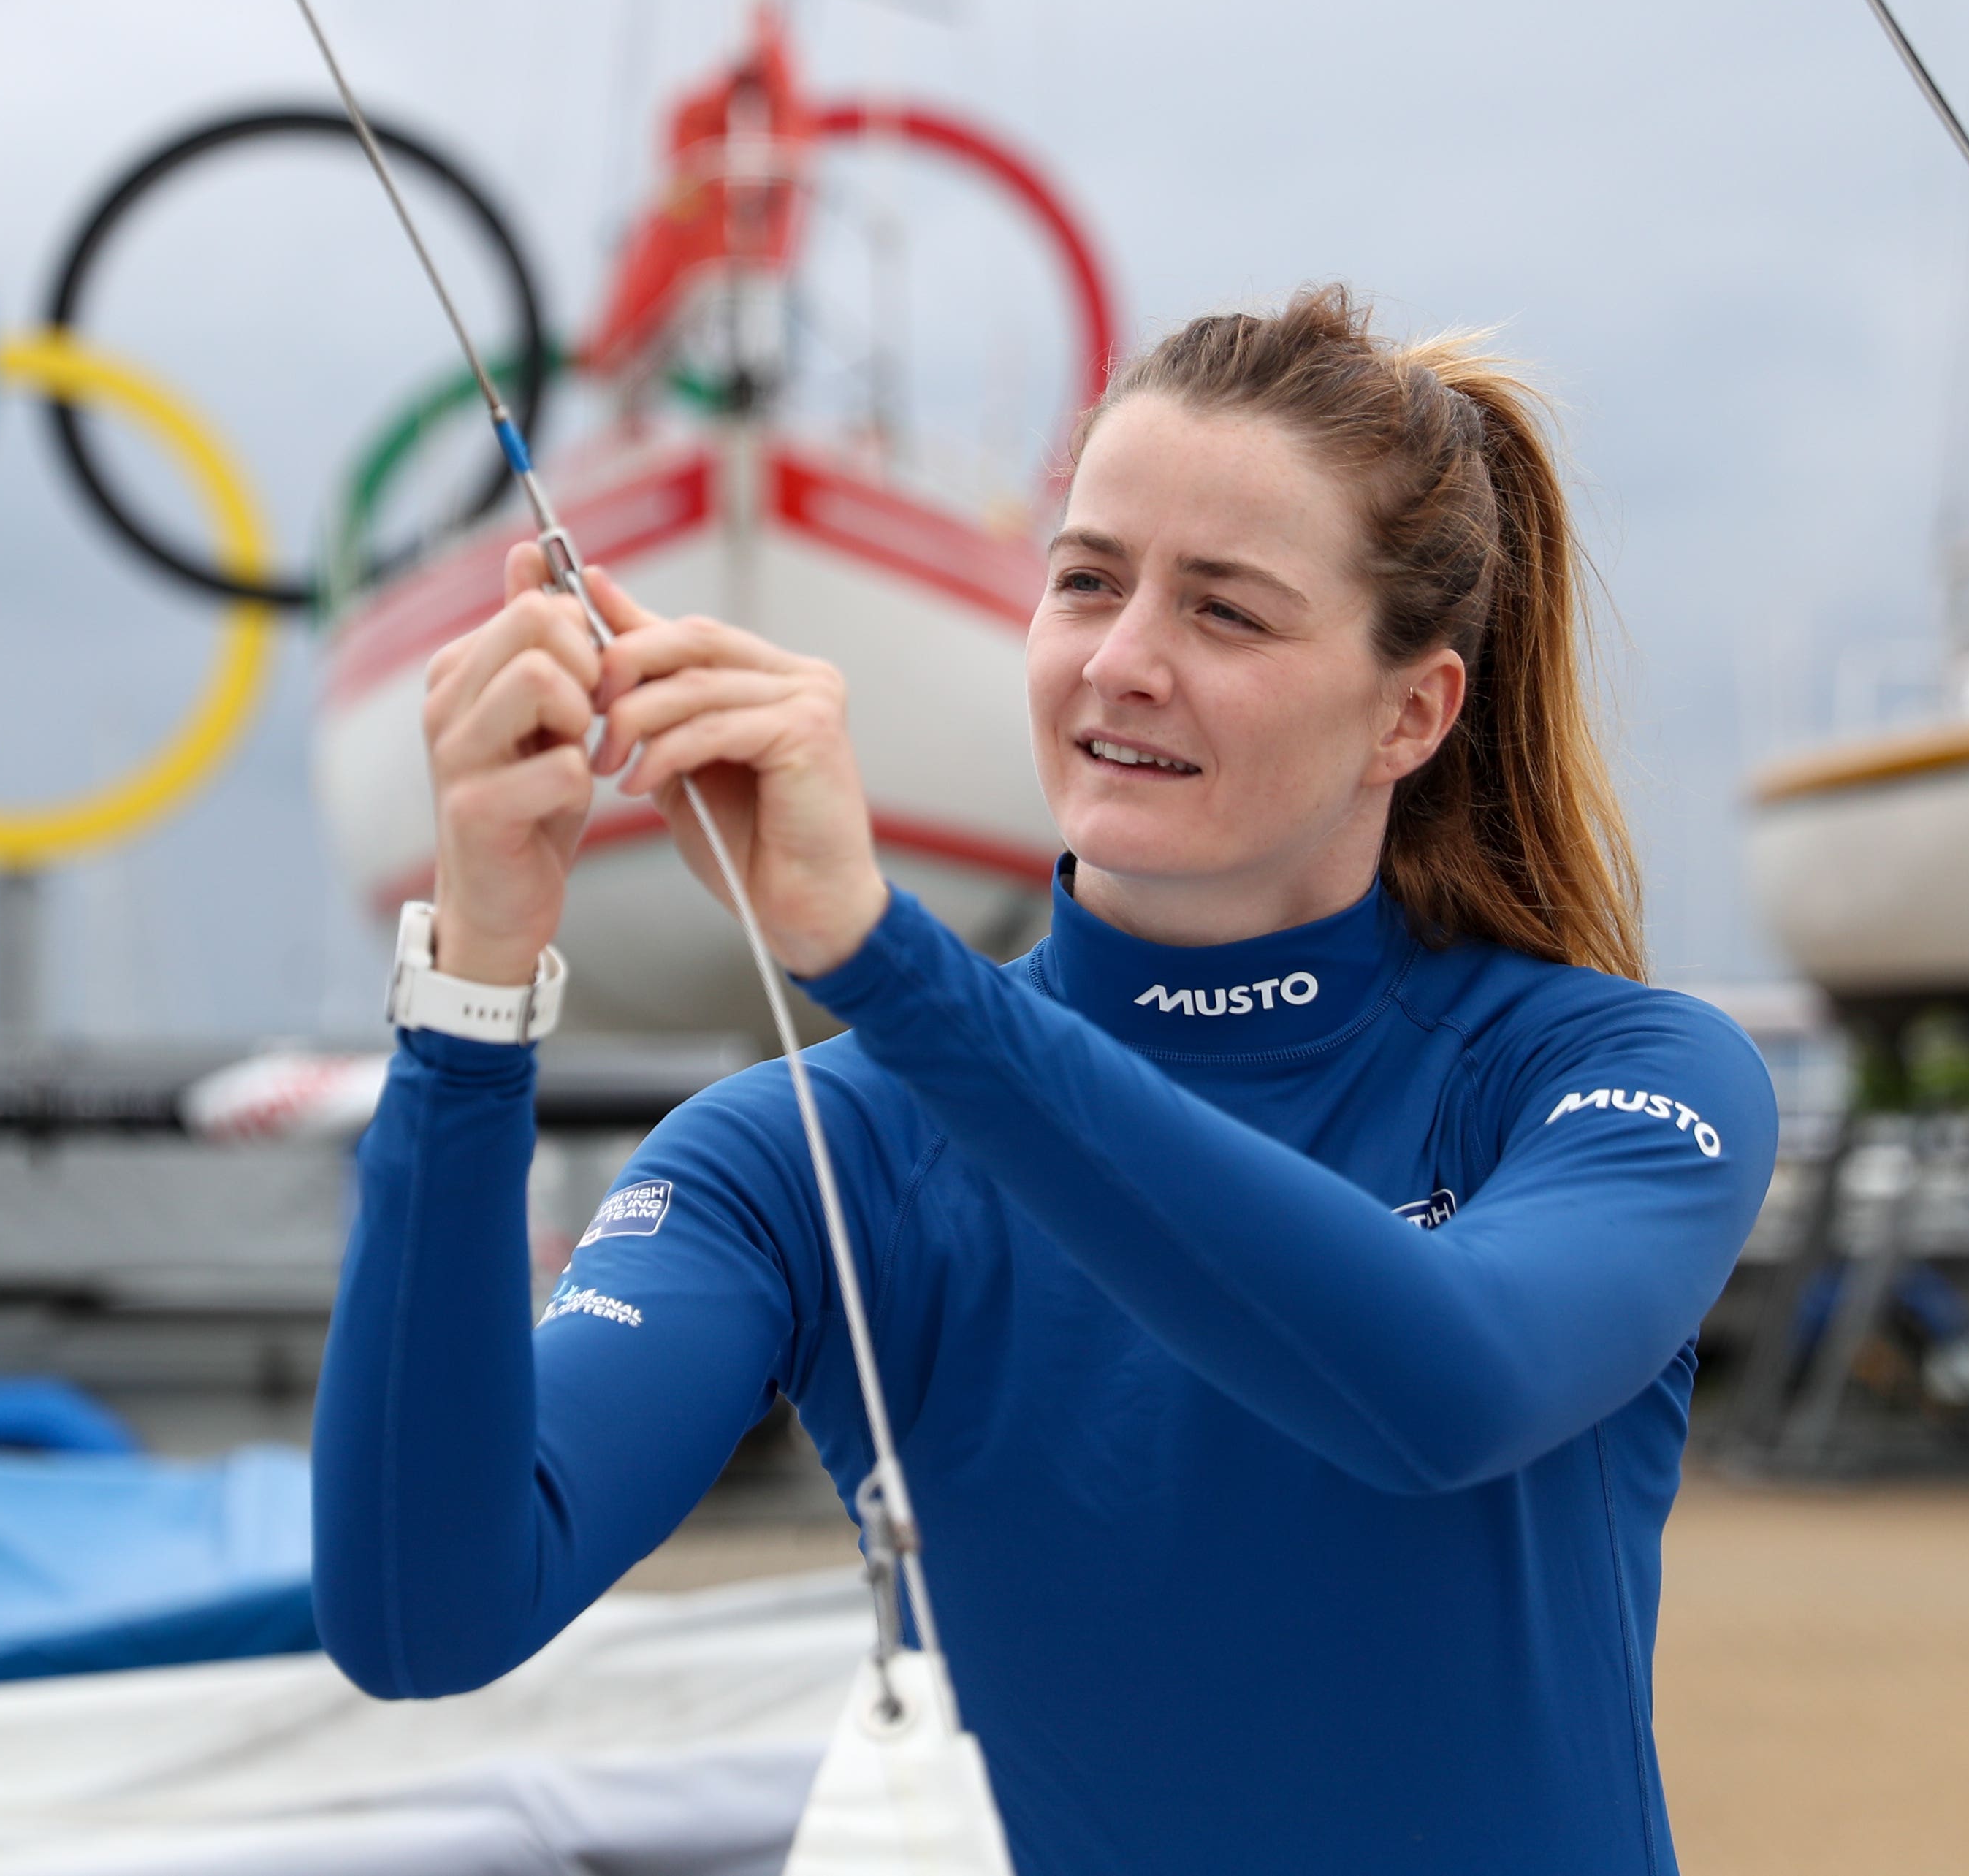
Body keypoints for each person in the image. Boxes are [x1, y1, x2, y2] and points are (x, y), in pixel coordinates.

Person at [312, 284, 1776, 1875]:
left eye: (1225, 609)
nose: (1124, 661)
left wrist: (884, 957)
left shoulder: (1606, 1069)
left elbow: (1452, 1385)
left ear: (1409, 712)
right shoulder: (809, 1152)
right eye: (1085, 580)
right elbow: (421, 1611)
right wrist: (470, 991)